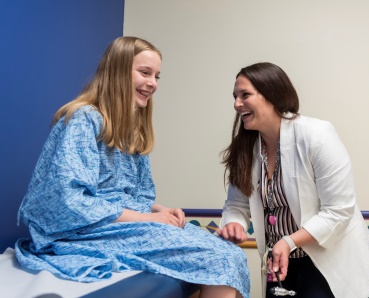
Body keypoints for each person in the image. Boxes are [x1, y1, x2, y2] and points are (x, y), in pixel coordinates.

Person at [15, 36, 250, 298]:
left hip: (116, 223)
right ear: (118, 71)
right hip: (81, 230)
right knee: (219, 258)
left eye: (157, 76)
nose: (152, 83)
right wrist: (148, 218)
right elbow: (70, 201)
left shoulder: (132, 130)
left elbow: (132, 196)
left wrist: (158, 209)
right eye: (145, 72)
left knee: (230, 253)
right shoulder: (84, 119)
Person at [216, 62, 369, 298]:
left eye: (245, 95)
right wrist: (235, 223)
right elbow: (236, 205)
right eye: (235, 96)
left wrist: (289, 241)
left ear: (272, 95)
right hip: (281, 261)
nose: (236, 104)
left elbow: (339, 211)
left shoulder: (317, 135)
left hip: (329, 259)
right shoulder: (247, 148)